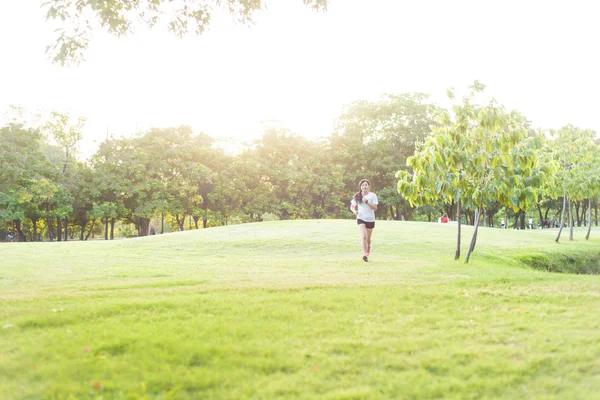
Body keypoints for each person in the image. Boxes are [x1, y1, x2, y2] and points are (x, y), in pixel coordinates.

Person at [350, 179, 378, 262]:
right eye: (363, 185)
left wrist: (367, 202)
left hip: (370, 219)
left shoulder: (372, 195)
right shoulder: (358, 196)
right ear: (360, 187)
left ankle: (368, 246)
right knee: (363, 236)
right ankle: (365, 255)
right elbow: (352, 206)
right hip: (361, 218)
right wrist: (355, 211)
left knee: (368, 239)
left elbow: (375, 208)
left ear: (369, 186)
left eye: (366, 185)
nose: (364, 186)